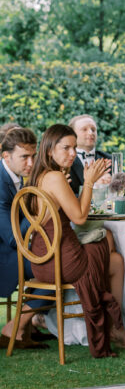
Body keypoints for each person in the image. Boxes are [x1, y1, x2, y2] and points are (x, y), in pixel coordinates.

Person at [28, 124, 125, 357]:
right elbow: (79, 216)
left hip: (42, 259)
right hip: (60, 261)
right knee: (102, 242)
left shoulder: (40, 176)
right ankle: (113, 325)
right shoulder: (55, 177)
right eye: (66, 148)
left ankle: (114, 326)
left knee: (114, 260)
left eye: (74, 148)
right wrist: (88, 182)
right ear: (49, 150)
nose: (72, 154)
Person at [0, 126, 47, 349]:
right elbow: (12, 238)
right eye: (24, 157)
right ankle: (15, 327)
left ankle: (26, 325)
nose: (31, 163)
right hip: (5, 257)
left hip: (20, 251)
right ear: (6, 156)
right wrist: (37, 204)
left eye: (33, 155)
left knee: (57, 262)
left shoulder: (18, 177)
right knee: (57, 270)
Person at [68, 114, 111, 195]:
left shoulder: (109, 159)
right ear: (72, 135)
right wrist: (95, 187)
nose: (91, 133)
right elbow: (67, 198)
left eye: (93, 129)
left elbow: (124, 192)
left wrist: (113, 185)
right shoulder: (65, 162)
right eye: (84, 129)